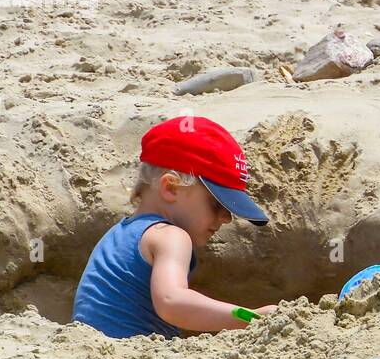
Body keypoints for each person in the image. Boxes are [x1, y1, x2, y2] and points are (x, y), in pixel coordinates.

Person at [73, 116, 275, 337]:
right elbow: (172, 301)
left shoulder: (117, 235)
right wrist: (249, 317)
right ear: (171, 187)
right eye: (217, 204)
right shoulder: (171, 236)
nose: (226, 218)